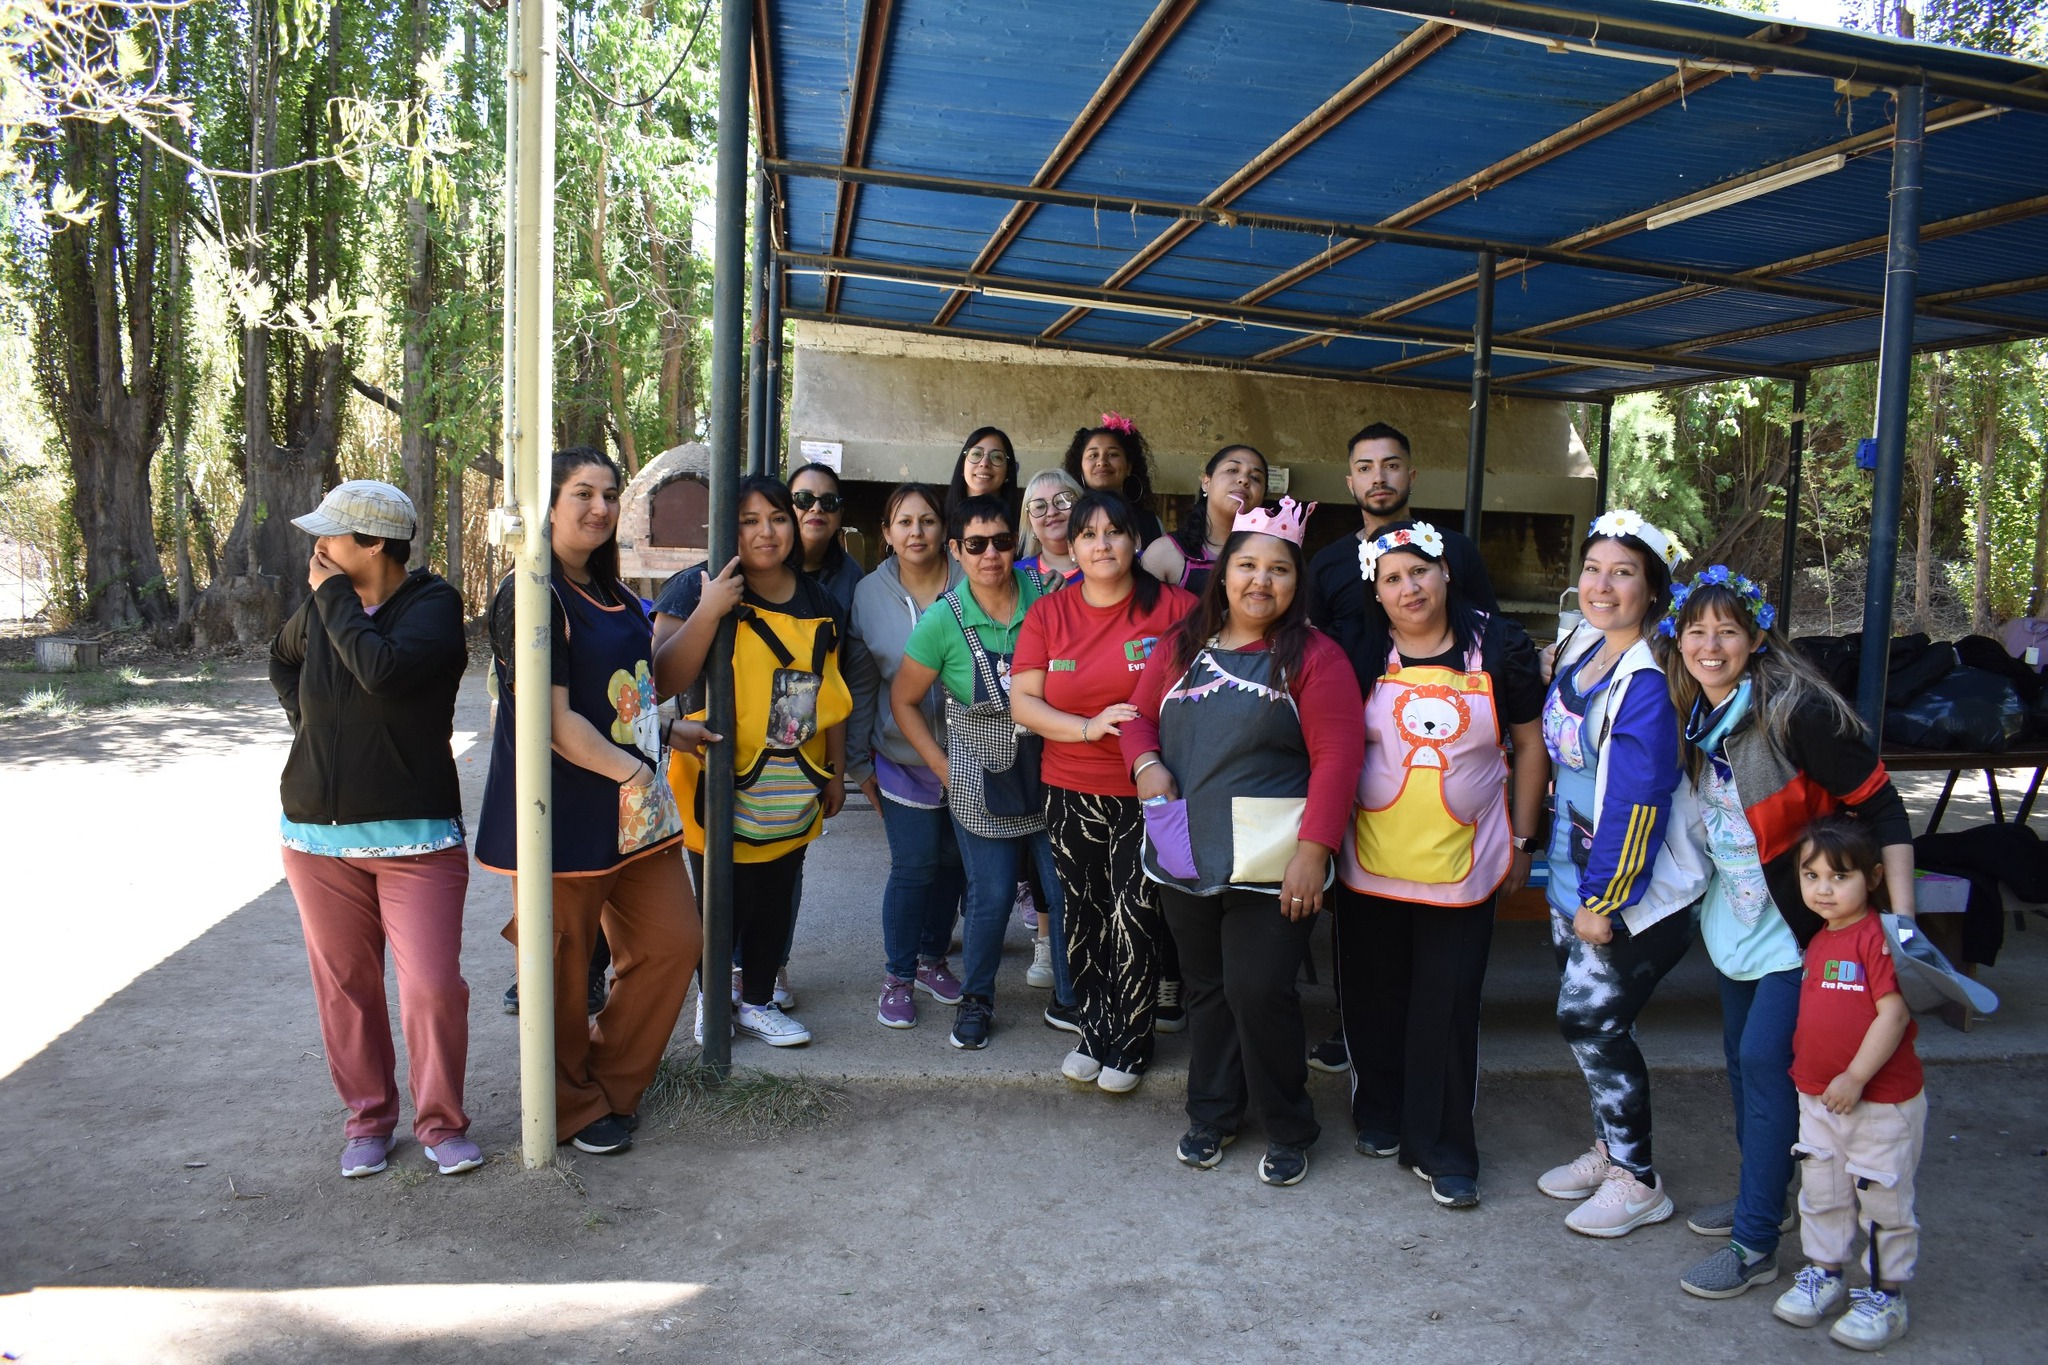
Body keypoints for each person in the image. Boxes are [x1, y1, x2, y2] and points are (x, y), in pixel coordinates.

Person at [1664, 567, 1916, 1300]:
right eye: (1696, 630)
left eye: (1728, 631)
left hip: (1799, 925)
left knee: (1765, 1060)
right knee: (1741, 1066)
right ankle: (1766, 1202)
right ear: (1678, 640)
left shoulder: (1794, 711)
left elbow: (1886, 807)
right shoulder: (1695, 712)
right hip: (1735, 918)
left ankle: (1751, 1248)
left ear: (1756, 637)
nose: (1711, 645)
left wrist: (1898, 924)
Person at [1121, 497, 1364, 1184]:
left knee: (1259, 988)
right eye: (1249, 565)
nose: (1262, 580)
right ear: (1224, 573)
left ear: (1297, 582)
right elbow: (1138, 719)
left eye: (1279, 569)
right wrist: (1147, 766)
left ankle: (1289, 1123)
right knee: (1206, 988)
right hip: (1185, 846)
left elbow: (1339, 758)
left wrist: (1314, 853)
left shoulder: (1317, 657)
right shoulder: (1181, 644)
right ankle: (1213, 1111)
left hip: (1273, 860)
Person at [476, 448, 703, 1157]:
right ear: (546, 505)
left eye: (609, 494)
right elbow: (553, 721)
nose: (600, 507)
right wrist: (633, 773)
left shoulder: (614, 595)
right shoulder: (532, 590)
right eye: (582, 493)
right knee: (560, 968)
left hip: (635, 817)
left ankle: (609, 1079)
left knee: (673, 943)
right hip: (562, 814)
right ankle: (567, 1105)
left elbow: (635, 689)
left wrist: (667, 726)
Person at [1334, 519, 1547, 1210]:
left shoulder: (1501, 645)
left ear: (1446, 571)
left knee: (1448, 1004)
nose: (1409, 587)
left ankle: (1445, 1146)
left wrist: (1522, 838)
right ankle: (1383, 1113)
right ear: (1378, 590)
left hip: (1467, 865)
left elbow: (1528, 743)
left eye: (1420, 570)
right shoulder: (1359, 650)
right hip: (1369, 864)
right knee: (1375, 995)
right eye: (1392, 577)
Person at [270, 481, 476, 1180]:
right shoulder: (318, 607)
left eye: (332, 534)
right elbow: (283, 657)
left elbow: (382, 672)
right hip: (317, 843)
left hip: (416, 841)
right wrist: (312, 736)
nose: (319, 547)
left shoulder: (434, 607)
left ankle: (441, 1123)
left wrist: (332, 600)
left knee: (432, 987)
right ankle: (368, 1118)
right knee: (346, 988)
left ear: (376, 544)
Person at [1303, 422, 1498, 1077]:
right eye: (1365, 466)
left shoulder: (1455, 552)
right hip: (1355, 757)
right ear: (1350, 480)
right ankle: (1350, 1026)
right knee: (1362, 930)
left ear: (1411, 476)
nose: (1378, 477)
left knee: (1435, 939)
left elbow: (1486, 642)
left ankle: (1427, 1051)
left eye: (1392, 464)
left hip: (1439, 763)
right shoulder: (1327, 563)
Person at [1534, 511, 1707, 1236]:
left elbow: (1638, 800)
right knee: (1590, 1029)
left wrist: (1604, 900)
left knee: (1593, 1019)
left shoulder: (1648, 677)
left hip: (1631, 892)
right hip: (1572, 878)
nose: (1602, 585)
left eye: (1624, 572)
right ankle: (1611, 1148)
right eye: (1594, 568)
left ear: (1653, 590)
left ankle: (1638, 1177)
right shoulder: (1585, 647)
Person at [654, 475, 851, 1049]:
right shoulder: (694, 588)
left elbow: (831, 697)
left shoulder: (822, 602)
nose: (766, 531)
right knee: (719, 901)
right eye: (748, 519)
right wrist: (710, 610)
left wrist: (834, 773)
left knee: (774, 898)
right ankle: (713, 1001)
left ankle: (759, 1002)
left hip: (794, 781)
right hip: (717, 780)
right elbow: (661, 679)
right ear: (725, 527)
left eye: (777, 517)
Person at [1012, 491, 1198, 1093]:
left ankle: (1132, 1039)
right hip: (1069, 788)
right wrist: (1087, 728)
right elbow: (1025, 703)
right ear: (1072, 544)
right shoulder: (1049, 614)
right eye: (1087, 534)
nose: (1101, 545)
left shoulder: (1177, 608)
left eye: (1113, 532)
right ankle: (1093, 1029)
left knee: (1137, 916)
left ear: (1134, 541)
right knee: (1084, 912)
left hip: (1148, 791)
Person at [891, 494, 1074, 1049]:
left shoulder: (1051, 598)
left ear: (1014, 545)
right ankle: (976, 999)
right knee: (991, 895)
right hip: (979, 770)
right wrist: (944, 768)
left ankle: (1069, 997)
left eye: (1000, 541)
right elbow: (903, 701)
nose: (990, 554)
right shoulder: (941, 621)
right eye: (976, 545)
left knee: (1062, 888)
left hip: (1052, 764)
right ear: (956, 551)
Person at [1770, 816, 1925, 1351]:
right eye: (1811, 876)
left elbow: (1893, 1016)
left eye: (1840, 876)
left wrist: (1857, 1076)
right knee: (1823, 1191)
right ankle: (1826, 1275)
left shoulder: (1880, 938)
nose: (1823, 888)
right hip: (1818, 1096)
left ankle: (1887, 1295)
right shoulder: (1819, 938)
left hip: (1878, 1102)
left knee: (1882, 1198)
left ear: (1875, 877)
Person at [848, 482, 968, 1029]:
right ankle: (897, 974)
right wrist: (856, 764)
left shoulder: (972, 578)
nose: (916, 532)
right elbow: (863, 680)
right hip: (900, 756)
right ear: (887, 534)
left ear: (944, 528)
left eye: (927, 520)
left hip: (972, 752)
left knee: (953, 867)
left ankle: (930, 959)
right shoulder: (870, 594)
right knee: (915, 864)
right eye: (904, 522)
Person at [1140, 443, 1268, 596]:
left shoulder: (1273, 556)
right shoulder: (1165, 553)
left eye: (1255, 478)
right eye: (1232, 470)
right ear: (1206, 482)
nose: (1244, 480)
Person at [1063, 412, 1164, 547]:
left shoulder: (1151, 523)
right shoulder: (1065, 520)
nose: (1102, 462)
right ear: (1080, 467)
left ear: (1128, 466)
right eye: (1093, 455)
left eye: (1112, 454)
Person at [791, 461, 865, 615]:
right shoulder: (764, 562)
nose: (816, 508)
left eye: (829, 502)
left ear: (840, 515)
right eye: (804, 499)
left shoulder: (852, 576)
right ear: (785, 507)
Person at [1016, 467, 1084, 585]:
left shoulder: (1102, 568)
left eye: (1061, 501)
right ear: (1029, 522)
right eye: (1040, 507)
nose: (1052, 512)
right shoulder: (1015, 574)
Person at [946, 426, 1021, 524]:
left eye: (996, 457)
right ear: (962, 465)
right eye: (976, 454)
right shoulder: (939, 521)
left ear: (1008, 471)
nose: (984, 463)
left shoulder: (1024, 525)